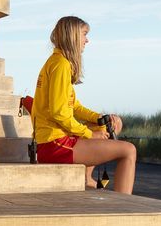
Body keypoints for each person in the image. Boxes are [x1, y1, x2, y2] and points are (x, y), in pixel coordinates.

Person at [31, 15, 136, 195]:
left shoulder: (59, 62)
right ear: (72, 36)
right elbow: (59, 113)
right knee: (128, 151)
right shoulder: (60, 65)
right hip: (54, 144)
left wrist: (99, 119)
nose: (87, 40)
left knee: (113, 123)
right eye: (84, 34)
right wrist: (89, 134)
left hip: (55, 140)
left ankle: (87, 177)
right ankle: (123, 206)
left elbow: (75, 107)